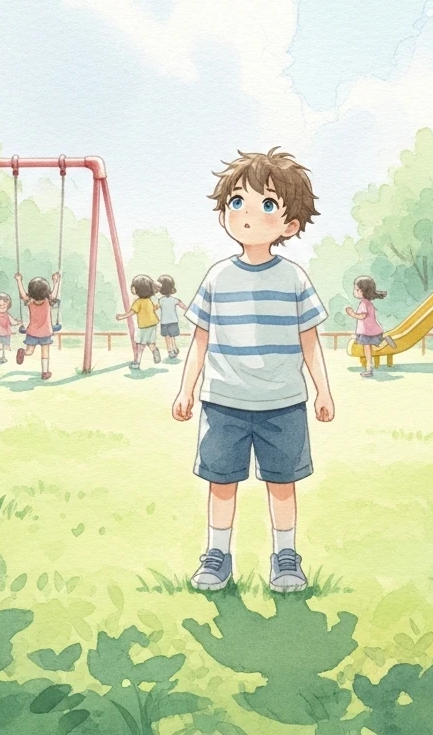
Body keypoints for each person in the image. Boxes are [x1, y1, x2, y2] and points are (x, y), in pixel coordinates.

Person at [172, 147, 334, 595]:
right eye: (237, 202)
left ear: (289, 225)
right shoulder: (217, 278)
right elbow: (200, 339)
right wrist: (186, 391)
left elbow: (310, 340)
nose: (247, 215)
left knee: (282, 485)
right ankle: (217, 555)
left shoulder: (295, 279)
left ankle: (286, 557)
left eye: (266, 205)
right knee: (221, 483)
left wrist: (323, 391)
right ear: (224, 212)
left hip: (283, 404)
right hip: (224, 402)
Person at [344, 275, 396, 377]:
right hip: (370, 330)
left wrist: (352, 314)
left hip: (366, 331)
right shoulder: (367, 303)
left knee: (367, 348)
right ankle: (383, 337)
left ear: (363, 291)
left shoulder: (364, 304)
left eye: (357, 289)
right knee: (373, 343)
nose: (354, 291)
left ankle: (369, 368)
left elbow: (363, 316)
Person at [15, 271, 61, 380]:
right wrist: (56, 281)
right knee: (45, 353)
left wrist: (19, 281)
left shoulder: (30, 301)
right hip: (46, 332)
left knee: (30, 351)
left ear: (31, 292)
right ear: (46, 292)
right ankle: (45, 372)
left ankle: (23, 352)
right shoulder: (47, 301)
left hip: (32, 332)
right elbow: (54, 294)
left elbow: (23, 294)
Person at [117, 275, 162, 369]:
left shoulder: (138, 302)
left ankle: (137, 362)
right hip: (153, 324)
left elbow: (131, 312)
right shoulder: (151, 299)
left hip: (144, 326)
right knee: (151, 342)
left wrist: (121, 316)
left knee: (140, 345)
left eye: (134, 287)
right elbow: (156, 307)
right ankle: (155, 351)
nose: (132, 289)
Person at [156, 274, 185, 359]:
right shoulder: (174, 300)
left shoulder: (160, 300)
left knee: (167, 337)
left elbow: (154, 308)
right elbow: (184, 306)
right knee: (172, 336)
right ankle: (174, 348)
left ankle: (170, 350)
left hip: (164, 322)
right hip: (173, 321)